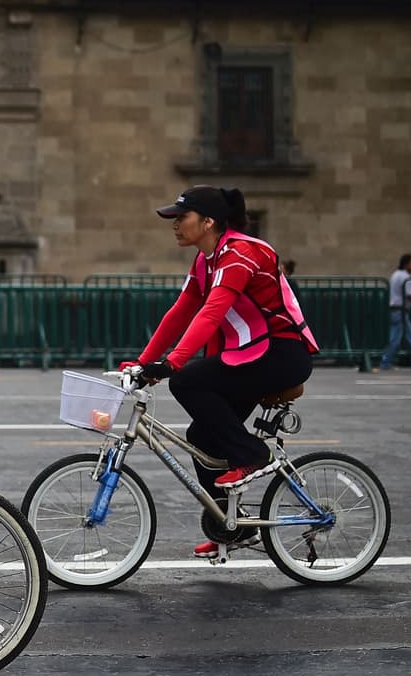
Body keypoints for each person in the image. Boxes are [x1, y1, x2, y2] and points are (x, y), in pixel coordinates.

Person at [119, 185, 318, 559]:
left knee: (187, 380)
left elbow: (211, 313)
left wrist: (172, 363)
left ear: (208, 221)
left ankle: (251, 454)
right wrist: (143, 360)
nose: (175, 225)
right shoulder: (204, 260)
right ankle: (231, 525)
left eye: (182, 218)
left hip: (281, 352)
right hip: (251, 354)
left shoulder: (240, 252)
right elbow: (180, 312)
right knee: (202, 436)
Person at [377, 253, 411, 371]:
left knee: (407, 337)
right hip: (401, 310)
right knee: (400, 338)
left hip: (395, 309)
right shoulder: (406, 278)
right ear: (406, 264)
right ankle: (387, 362)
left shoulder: (395, 274)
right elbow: (410, 295)